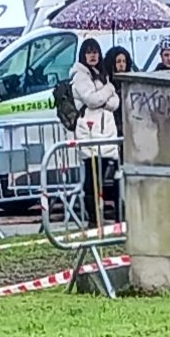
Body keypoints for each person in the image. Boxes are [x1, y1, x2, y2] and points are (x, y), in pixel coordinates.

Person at [70, 39, 120, 226]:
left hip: (107, 131)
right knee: (92, 177)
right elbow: (91, 100)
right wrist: (108, 90)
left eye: (96, 52)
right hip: (90, 131)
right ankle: (93, 218)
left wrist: (104, 97)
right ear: (83, 55)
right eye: (89, 52)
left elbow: (115, 103)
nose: (93, 56)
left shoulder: (102, 74)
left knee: (111, 175)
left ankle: (114, 215)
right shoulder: (80, 76)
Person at [103, 45, 133, 136]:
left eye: (124, 61)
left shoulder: (130, 82)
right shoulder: (106, 83)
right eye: (118, 61)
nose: (122, 65)